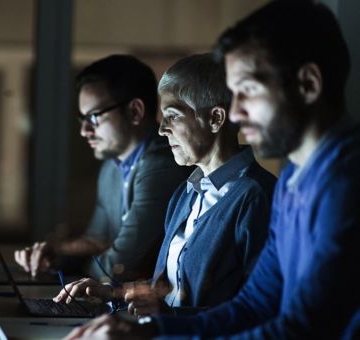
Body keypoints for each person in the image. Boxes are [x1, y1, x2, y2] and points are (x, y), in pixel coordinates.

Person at [65, 1, 360, 339]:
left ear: (308, 84)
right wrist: (149, 331)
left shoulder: (347, 184)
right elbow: (254, 306)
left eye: (247, 91)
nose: (234, 113)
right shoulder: (294, 180)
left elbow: (302, 330)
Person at [54, 53, 276, 317]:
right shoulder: (185, 194)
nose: (162, 130)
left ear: (216, 119)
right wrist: (111, 292)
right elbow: (166, 289)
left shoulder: (257, 197)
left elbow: (264, 311)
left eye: (173, 116)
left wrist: (170, 318)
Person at [15, 55, 189, 282]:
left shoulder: (162, 166)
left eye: (94, 117)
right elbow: (96, 239)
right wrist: (58, 257)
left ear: (135, 112)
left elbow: (118, 267)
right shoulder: (111, 166)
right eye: (82, 119)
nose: (84, 130)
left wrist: (78, 263)